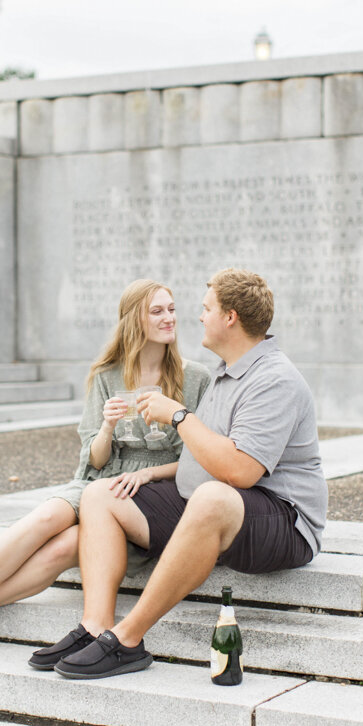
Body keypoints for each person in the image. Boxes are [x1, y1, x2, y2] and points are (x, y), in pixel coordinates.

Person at [33, 267, 328, 680]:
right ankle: (94, 626)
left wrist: (177, 414)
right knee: (101, 494)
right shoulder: (227, 373)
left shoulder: (273, 379)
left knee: (211, 498)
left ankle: (128, 640)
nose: (199, 317)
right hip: (213, 505)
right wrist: (151, 475)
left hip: (285, 521)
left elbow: (240, 471)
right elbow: (203, 457)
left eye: (206, 309)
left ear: (230, 318)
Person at [0, 278, 210, 660]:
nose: (169, 318)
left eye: (172, 309)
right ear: (135, 320)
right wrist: (108, 427)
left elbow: (202, 453)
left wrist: (147, 474)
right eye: (157, 311)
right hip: (101, 480)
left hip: (150, 493)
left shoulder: (195, 377)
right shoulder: (106, 376)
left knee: (63, 548)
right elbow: (94, 460)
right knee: (48, 514)